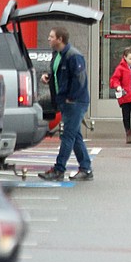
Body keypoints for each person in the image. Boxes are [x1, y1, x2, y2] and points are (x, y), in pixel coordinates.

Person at [39, 27, 93, 182]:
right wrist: (49, 77)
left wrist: (71, 97)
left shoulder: (74, 55)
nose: (48, 39)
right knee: (75, 136)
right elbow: (60, 74)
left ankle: (59, 169)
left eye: (51, 36)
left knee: (67, 136)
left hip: (75, 102)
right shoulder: (57, 55)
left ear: (60, 39)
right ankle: (86, 168)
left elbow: (80, 79)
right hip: (64, 101)